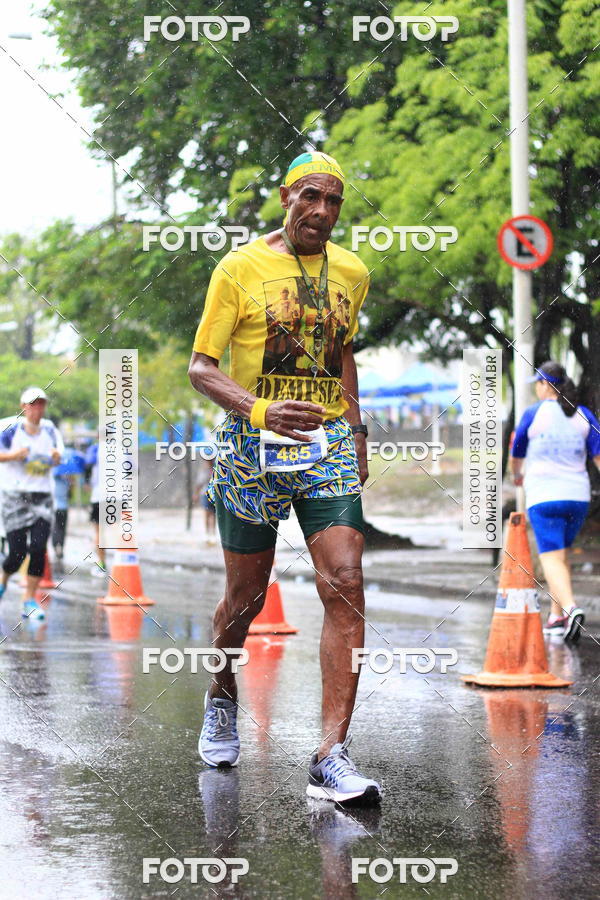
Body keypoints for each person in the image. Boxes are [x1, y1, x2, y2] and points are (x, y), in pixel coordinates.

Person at [188, 151, 380, 806]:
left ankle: (331, 755)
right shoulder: (239, 268)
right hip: (251, 445)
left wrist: (353, 432)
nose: (322, 213)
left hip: (323, 444)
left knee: (347, 581)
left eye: (334, 202)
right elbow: (201, 367)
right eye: (311, 198)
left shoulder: (352, 271)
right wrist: (260, 408)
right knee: (244, 602)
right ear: (285, 197)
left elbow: (343, 352)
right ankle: (221, 692)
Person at [510, 361, 600, 641]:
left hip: (545, 497)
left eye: (537, 384)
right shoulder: (583, 414)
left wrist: (517, 476)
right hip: (578, 498)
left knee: (550, 558)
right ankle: (556, 617)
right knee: (560, 556)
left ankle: (572, 609)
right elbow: (598, 457)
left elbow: (517, 454)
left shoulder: (533, 414)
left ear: (545, 384)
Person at [0, 387, 64, 620]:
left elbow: (59, 456)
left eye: (41, 404)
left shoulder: (49, 429)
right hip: (14, 497)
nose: (37, 409)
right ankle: (3, 581)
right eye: (32, 404)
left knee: (38, 549)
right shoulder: (9, 428)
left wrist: (56, 458)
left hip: (42, 497)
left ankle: (29, 599)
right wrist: (14, 455)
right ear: (23, 407)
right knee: (17, 553)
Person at [85, 441, 106, 577]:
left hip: (99, 495)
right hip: (118, 497)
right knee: (117, 530)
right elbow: (134, 470)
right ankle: (121, 560)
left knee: (99, 532)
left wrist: (87, 482)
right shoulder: (123, 450)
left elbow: (87, 465)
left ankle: (102, 563)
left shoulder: (95, 449)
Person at [193, 458, 217, 545]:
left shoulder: (216, 471)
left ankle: (213, 534)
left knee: (213, 515)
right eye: (208, 461)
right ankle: (207, 534)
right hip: (205, 494)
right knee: (207, 514)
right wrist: (195, 494)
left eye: (210, 461)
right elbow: (199, 484)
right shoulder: (203, 472)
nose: (209, 462)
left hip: (214, 495)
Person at [52, 467, 71, 570]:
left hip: (55, 507)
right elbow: (69, 495)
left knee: (55, 528)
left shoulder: (53, 480)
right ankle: (61, 548)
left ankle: (56, 548)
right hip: (64, 508)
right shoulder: (66, 481)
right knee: (62, 528)